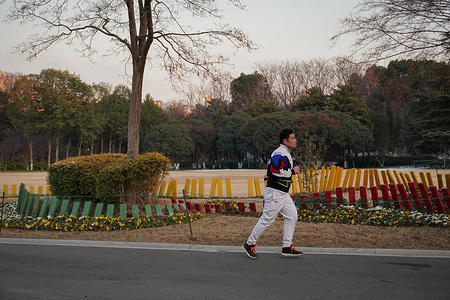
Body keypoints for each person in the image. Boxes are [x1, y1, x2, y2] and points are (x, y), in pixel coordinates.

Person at [243, 128, 302, 259]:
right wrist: (292, 172)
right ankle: (249, 243)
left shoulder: (285, 152)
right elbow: (275, 170)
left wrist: (288, 177)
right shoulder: (280, 152)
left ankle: (287, 247)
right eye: (292, 138)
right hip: (275, 193)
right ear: (285, 141)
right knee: (267, 219)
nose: (295, 140)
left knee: (292, 216)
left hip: (282, 194)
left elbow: (279, 171)